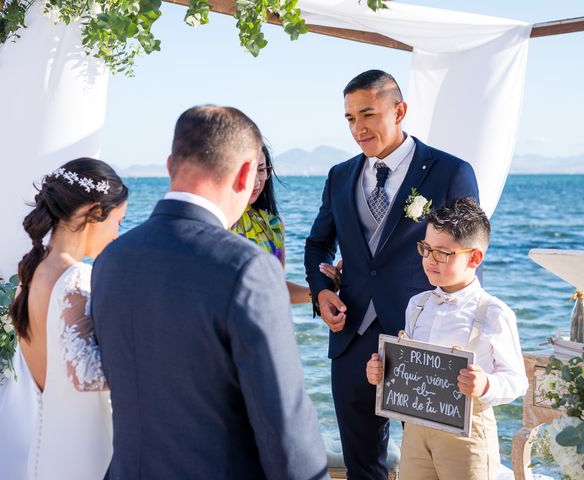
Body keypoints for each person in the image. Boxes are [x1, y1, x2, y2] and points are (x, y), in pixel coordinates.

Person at [92, 105, 329, 480]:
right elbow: (285, 423)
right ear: (247, 173)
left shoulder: (111, 260)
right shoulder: (248, 268)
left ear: (171, 165)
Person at [304, 69, 480, 479]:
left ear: (399, 110)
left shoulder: (449, 171)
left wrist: (466, 333)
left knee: (427, 461)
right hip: (351, 336)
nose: (358, 128)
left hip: (422, 340)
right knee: (361, 463)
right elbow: (318, 245)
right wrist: (320, 292)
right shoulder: (340, 175)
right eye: (349, 118)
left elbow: (469, 255)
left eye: (367, 114)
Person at [0, 158, 128, 480]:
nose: (117, 235)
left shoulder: (32, 272)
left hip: (47, 448)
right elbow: (85, 377)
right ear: (94, 211)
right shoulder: (77, 280)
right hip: (86, 450)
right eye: (118, 221)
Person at [366, 197, 528, 479]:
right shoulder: (417, 304)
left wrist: (486, 383)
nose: (429, 259)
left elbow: (517, 381)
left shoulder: (494, 313)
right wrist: (382, 371)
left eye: (442, 253)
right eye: (426, 249)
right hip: (416, 430)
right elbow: (409, 366)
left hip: (467, 436)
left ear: (474, 258)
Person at [232, 145, 340, 303]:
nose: (256, 181)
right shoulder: (214, 221)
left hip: (266, 323)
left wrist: (321, 291)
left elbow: (276, 288)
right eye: (248, 171)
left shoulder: (273, 223)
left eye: (261, 170)